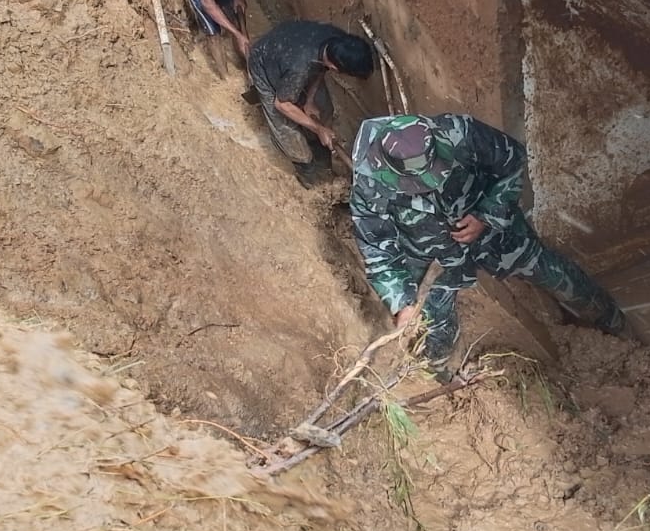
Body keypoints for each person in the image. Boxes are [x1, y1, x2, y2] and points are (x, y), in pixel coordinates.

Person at [350, 114, 630, 375]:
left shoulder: (459, 132)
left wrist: (486, 215)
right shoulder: (369, 184)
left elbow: (512, 161)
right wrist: (401, 301)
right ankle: (443, 378)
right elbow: (377, 246)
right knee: (431, 329)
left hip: (493, 231)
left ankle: (616, 326)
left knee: (551, 271)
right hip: (432, 257)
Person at [248, 21, 375, 186]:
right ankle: (307, 170)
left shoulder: (338, 41)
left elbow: (322, 68)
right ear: (335, 67)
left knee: (323, 108)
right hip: (263, 62)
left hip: (290, 47)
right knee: (286, 128)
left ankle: (319, 148)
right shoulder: (300, 67)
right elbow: (282, 104)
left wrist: (309, 101)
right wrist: (318, 128)